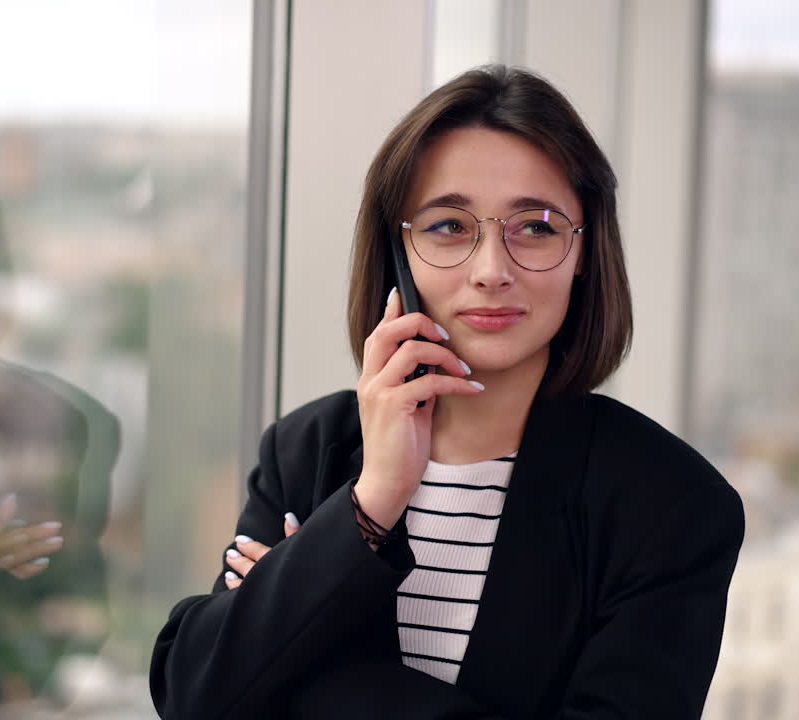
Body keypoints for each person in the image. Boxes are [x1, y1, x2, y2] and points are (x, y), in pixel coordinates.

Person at [149, 64, 744, 719]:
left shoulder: (672, 506)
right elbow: (193, 695)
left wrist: (312, 664)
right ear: (397, 254)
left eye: (537, 226)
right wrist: (371, 505)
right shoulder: (310, 451)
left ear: (585, 253)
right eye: (449, 227)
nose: (492, 271)